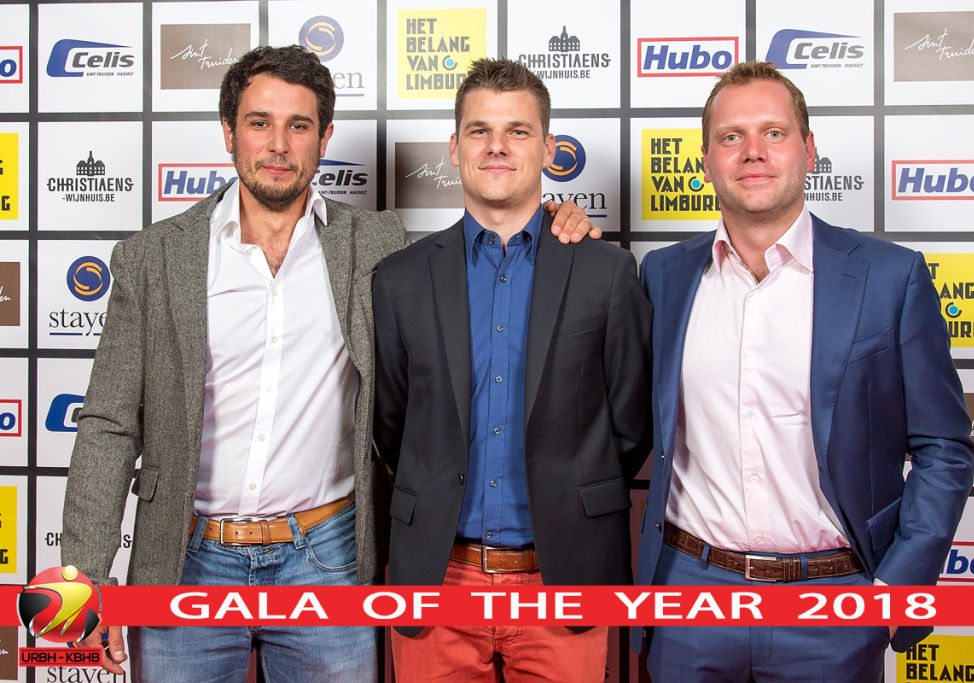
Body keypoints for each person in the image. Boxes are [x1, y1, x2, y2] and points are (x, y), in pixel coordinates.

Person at [60, 45, 594, 682]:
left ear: (324, 137)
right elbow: (108, 424)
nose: (278, 144)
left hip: (329, 557)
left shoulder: (376, 245)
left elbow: (488, 237)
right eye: (259, 123)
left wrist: (557, 220)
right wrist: (86, 577)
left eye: (299, 125)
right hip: (185, 558)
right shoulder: (154, 258)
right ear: (228, 132)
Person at [634, 60, 974, 682]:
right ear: (705, 161)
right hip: (689, 597)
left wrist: (896, 590)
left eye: (774, 132)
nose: (753, 152)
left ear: (809, 150)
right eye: (731, 136)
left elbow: (945, 446)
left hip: (835, 603)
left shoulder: (890, 277)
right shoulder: (664, 274)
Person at [373, 57, 652, 681]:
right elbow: (391, 425)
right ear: (454, 148)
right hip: (437, 579)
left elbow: (631, 425)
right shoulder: (400, 279)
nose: (497, 146)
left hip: (564, 577)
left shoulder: (606, 273)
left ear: (548, 148)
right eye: (480, 130)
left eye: (517, 131)